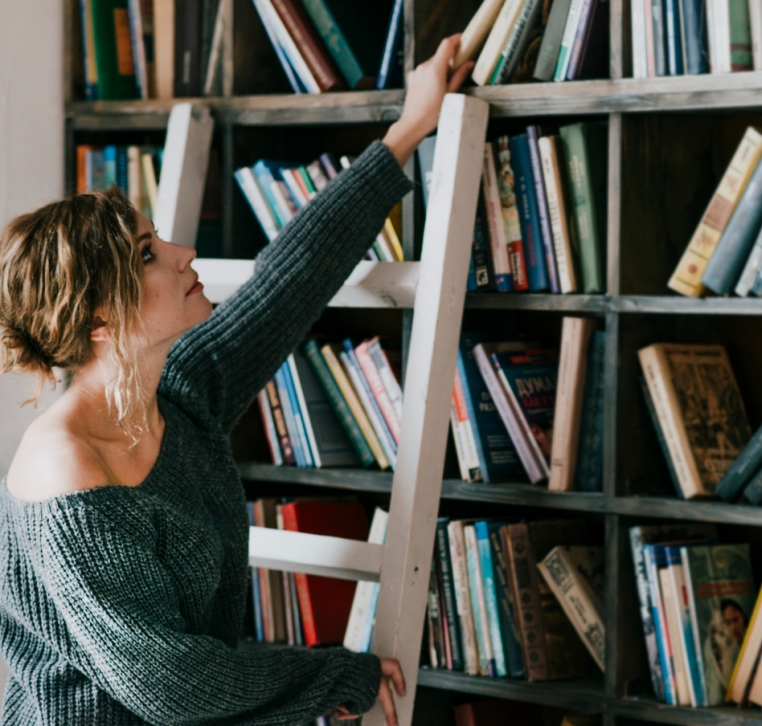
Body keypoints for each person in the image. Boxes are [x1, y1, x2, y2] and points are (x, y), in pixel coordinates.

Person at [0, 34, 473, 726]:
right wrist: (330, 675)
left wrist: (406, 132)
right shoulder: (65, 470)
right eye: (149, 254)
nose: (184, 252)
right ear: (100, 318)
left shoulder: (179, 394)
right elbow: (169, 685)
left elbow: (292, 280)